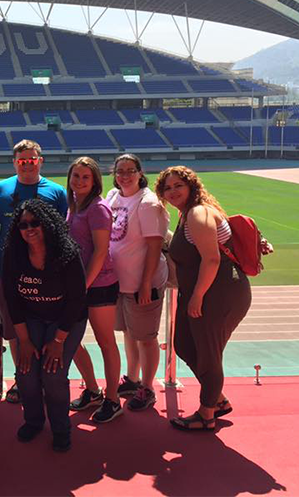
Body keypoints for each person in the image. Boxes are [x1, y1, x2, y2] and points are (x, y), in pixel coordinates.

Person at [155, 166, 252, 431]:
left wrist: (197, 296)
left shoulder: (198, 213)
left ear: (191, 187)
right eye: (168, 187)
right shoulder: (186, 214)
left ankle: (207, 413)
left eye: (178, 186)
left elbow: (211, 259)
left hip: (217, 292)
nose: (173, 191)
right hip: (205, 292)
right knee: (184, 344)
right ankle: (217, 398)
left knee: (208, 353)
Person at [1, 199, 87, 452]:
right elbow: (12, 299)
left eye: (35, 222)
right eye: (23, 224)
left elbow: (77, 299)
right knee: (26, 372)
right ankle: (34, 421)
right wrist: (24, 341)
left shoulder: (66, 252)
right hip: (32, 318)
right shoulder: (13, 254)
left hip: (66, 319)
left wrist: (58, 341)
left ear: (47, 224)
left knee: (53, 373)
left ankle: (61, 429)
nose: (29, 228)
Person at [0, 139, 68, 403]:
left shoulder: (56, 192)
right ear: (14, 162)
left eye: (32, 160)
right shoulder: (0, 190)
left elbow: (63, 234)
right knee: (13, 328)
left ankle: (43, 378)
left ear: (40, 161)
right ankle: (22, 378)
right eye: (22, 161)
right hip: (9, 271)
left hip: (46, 273)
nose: (27, 165)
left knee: (43, 327)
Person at [105, 154, 170, 412]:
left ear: (140, 173)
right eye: (120, 171)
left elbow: (155, 247)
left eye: (130, 171)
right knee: (128, 333)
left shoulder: (148, 203)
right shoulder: (113, 196)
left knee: (145, 337)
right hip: (119, 281)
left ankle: (148, 387)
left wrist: (145, 284)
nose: (125, 175)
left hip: (142, 283)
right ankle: (132, 379)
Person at [65, 157, 123, 423]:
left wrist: (82, 285)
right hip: (78, 283)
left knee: (105, 341)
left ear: (95, 180)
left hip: (99, 285)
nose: (79, 181)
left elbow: (100, 252)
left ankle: (113, 398)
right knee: (70, 339)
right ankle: (92, 389)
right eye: (76, 176)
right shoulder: (74, 204)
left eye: (85, 177)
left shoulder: (98, 208)